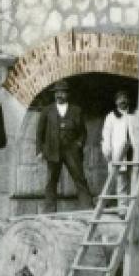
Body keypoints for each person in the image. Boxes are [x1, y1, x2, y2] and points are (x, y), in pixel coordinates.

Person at [35, 82, 91, 210]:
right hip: (52, 150)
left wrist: (79, 144)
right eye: (57, 92)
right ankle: (49, 211)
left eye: (62, 92)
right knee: (51, 181)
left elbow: (83, 132)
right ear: (54, 94)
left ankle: (87, 208)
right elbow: (39, 133)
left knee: (80, 178)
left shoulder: (76, 110)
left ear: (67, 94)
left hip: (72, 150)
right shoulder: (47, 110)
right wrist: (39, 150)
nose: (59, 95)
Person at [100, 90, 139, 198]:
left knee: (136, 178)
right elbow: (106, 135)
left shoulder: (135, 115)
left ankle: (134, 208)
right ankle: (122, 209)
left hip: (133, 151)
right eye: (119, 99)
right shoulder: (111, 117)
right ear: (116, 102)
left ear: (128, 100)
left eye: (125, 98)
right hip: (119, 153)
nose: (122, 101)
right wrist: (108, 152)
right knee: (121, 182)